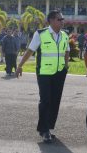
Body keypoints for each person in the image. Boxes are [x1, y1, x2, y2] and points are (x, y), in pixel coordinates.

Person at [16, 10, 70, 143]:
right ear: (51, 20)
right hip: (44, 73)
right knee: (45, 100)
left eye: (62, 19)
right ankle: (44, 130)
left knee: (55, 100)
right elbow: (30, 50)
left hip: (59, 72)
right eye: (59, 19)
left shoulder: (64, 35)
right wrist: (20, 65)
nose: (62, 21)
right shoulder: (40, 34)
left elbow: (67, 50)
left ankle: (48, 128)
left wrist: (66, 66)